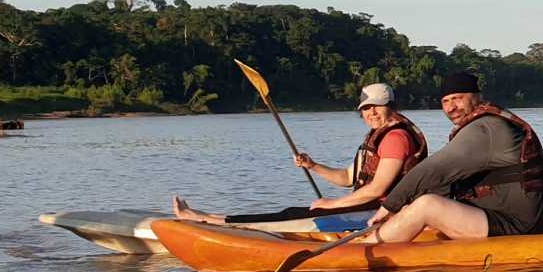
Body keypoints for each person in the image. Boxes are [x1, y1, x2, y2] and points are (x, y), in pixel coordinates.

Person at [172, 82, 428, 223]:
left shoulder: (396, 138)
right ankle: (208, 218)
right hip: (365, 207)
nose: (371, 113)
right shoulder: (379, 136)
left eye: (378, 107)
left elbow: (376, 189)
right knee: (293, 212)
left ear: (391, 107)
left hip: (380, 213)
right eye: (366, 108)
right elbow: (348, 178)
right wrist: (313, 165)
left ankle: (207, 220)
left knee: (292, 215)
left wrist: (332, 204)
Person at [361, 69, 543, 243]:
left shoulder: (487, 129)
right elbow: (445, 180)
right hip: (493, 215)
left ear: (477, 97)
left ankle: (364, 248)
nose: (451, 108)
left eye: (457, 98)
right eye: (445, 101)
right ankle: (386, 236)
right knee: (422, 201)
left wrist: (389, 206)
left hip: (514, 224)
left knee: (427, 205)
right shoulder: (481, 125)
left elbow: (433, 169)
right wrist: (404, 207)